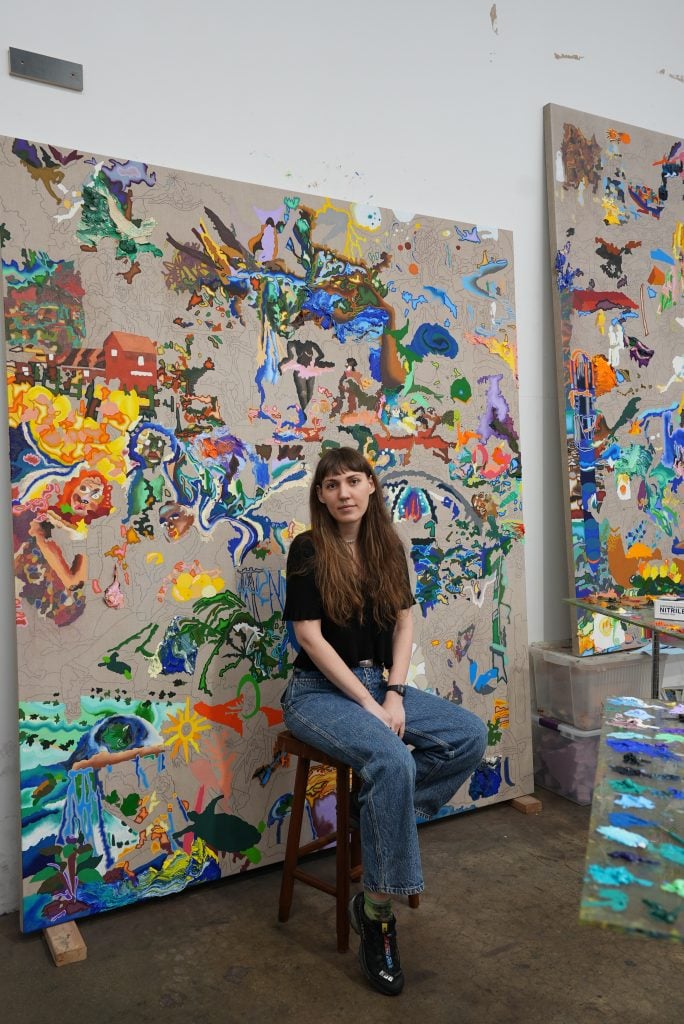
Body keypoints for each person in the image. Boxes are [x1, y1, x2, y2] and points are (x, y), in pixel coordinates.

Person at [281, 447, 487, 996]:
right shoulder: (308, 550)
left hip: (379, 684)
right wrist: (370, 707)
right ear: (320, 496)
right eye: (331, 485)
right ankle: (377, 916)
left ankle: (372, 816)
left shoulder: (387, 546)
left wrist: (393, 694)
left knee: (468, 734)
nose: (343, 493)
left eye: (353, 481)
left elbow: (403, 625)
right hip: (318, 692)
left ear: (371, 486)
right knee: (392, 758)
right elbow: (309, 637)